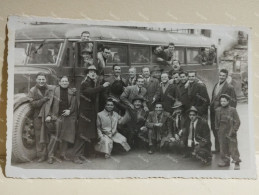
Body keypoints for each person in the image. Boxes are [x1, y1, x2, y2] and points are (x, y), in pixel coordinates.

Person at [72, 65, 110, 163]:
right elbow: (89, 92)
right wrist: (103, 86)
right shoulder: (86, 83)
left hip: (89, 113)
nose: (93, 73)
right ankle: (76, 156)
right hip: (84, 113)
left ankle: (82, 154)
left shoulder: (91, 82)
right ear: (87, 73)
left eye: (94, 72)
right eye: (91, 71)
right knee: (81, 134)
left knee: (86, 134)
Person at [44, 76, 77, 164]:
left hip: (67, 117)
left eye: (66, 81)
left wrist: (69, 110)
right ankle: (50, 156)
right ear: (59, 82)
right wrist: (49, 115)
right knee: (54, 137)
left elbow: (73, 105)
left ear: (68, 83)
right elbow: (49, 104)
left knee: (65, 137)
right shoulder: (54, 91)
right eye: (62, 81)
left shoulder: (72, 92)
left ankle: (62, 154)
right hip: (56, 117)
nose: (64, 83)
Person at [28, 72, 55, 162]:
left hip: (49, 115)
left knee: (51, 136)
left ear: (46, 80)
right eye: (39, 79)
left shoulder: (51, 88)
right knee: (39, 136)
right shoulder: (33, 90)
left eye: (43, 79)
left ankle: (50, 156)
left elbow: (57, 98)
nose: (41, 81)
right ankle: (42, 155)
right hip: (38, 116)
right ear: (36, 80)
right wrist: (44, 99)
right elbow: (32, 104)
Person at [210, 69, 237, 153]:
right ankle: (218, 149)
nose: (221, 77)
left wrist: (229, 114)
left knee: (223, 131)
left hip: (223, 113)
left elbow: (233, 102)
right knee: (215, 129)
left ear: (226, 77)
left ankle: (225, 150)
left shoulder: (229, 87)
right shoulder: (216, 85)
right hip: (214, 112)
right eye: (220, 75)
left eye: (223, 76)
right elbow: (213, 98)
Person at [215, 94, 241, 170]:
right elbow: (216, 122)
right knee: (223, 147)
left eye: (224, 101)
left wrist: (234, 130)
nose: (222, 102)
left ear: (228, 101)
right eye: (221, 101)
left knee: (233, 147)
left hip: (230, 130)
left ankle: (236, 162)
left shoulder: (232, 110)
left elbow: (238, 122)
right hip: (221, 131)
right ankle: (225, 161)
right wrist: (218, 130)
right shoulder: (217, 110)